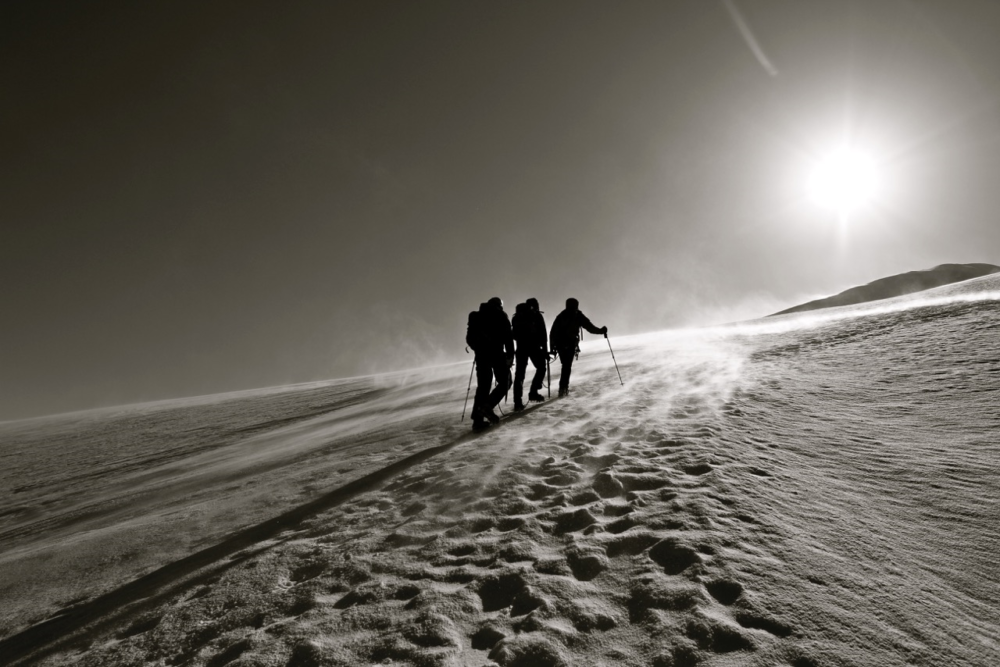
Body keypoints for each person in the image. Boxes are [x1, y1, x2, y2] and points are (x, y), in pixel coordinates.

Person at [467, 297, 514, 430]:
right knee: (505, 382)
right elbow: (508, 339)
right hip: (497, 354)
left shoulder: (476, 316)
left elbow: (469, 338)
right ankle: (487, 407)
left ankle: (477, 421)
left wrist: (478, 348)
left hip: (481, 356)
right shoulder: (501, 316)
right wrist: (510, 357)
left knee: (483, 386)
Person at [549, 297, 607, 397]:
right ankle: (563, 388)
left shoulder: (561, 316)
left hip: (560, 345)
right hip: (570, 344)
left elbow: (552, 333)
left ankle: (563, 388)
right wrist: (601, 331)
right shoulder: (578, 315)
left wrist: (552, 348)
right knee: (567, 366)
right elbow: (590, 327)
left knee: (565, 366)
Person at [511, 297, 548, 410]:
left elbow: (513, 334)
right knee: (541, 368)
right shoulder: (536, 315)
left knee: (519, 375)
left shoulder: (517, 317)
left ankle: (517, 402)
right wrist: (545, 351)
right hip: (534, 347)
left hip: (521, 348)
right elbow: (543, 335)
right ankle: (533, 392)